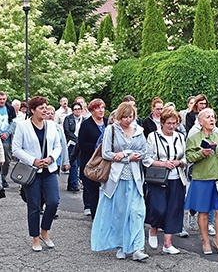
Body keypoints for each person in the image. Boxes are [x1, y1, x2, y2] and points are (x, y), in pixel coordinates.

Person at [91, 101, 149, 261]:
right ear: (119, 116)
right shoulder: (111, 130)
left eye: (131, 117)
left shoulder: (139, 131)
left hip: (135, 178)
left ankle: (138, 248)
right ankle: (121, 246)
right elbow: (106, 153)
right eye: (125, 117)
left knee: (137, 212)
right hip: (117, 178)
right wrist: (126, 157)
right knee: (120, 214)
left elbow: (144, 152)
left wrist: (124, 154)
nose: (128, 120)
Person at [12, 96, 62, 252]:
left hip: (49, 170)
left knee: (53, 202)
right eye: (41, 108)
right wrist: (33, 160)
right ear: (33, 110)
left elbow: (58, 146)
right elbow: (16, 149)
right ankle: (35, 238)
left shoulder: (52, 125)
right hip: (32, 172)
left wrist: (51, 158)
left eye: (46, 107)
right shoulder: (23, 126)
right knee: (34, 206)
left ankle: (44, 231)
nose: (45, 110)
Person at [184, 107, 218, 255]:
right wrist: (201, 153)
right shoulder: (193, 138)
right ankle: (205, 241)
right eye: (208, 117)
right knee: (203, 212)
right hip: (202, 179)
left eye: (213, 117)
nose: (211, 119)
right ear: (200, 121)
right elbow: (189, 157)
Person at [143, 108, 188, 255]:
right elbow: (146, 158)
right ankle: (154, 230)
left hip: (177, 178)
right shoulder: (152, 136)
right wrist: (162, 164)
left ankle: (168, 243)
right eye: (168, 123)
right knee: (158, 208)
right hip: (158, 178)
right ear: (162, 123)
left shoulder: (180, 137)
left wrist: (179, 162)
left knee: (174, 210)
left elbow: (186, 158)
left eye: (174, 123)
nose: (171, 126)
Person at [75, 98, 107, 218]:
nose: (101, 110)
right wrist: (97, 147)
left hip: (106, 163)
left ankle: (105, 215)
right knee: (93, 190)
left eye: (102, 107)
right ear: (92, 110)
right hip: (91, 162)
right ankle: (95, 216)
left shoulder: (107, 122)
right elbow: (81, 143)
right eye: (98, 108)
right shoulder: (86, 124)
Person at [63, 102, 83, 192]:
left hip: (81, 145)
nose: (77, 111)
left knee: (77, 164)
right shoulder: (68, 119)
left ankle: (70, 184)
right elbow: (67, 131)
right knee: (73, 164)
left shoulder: (85, 120)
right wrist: (76, 139)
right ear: (72, 110)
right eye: (75, 109)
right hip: (71, 144)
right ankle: (75, 184)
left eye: (79, 109)